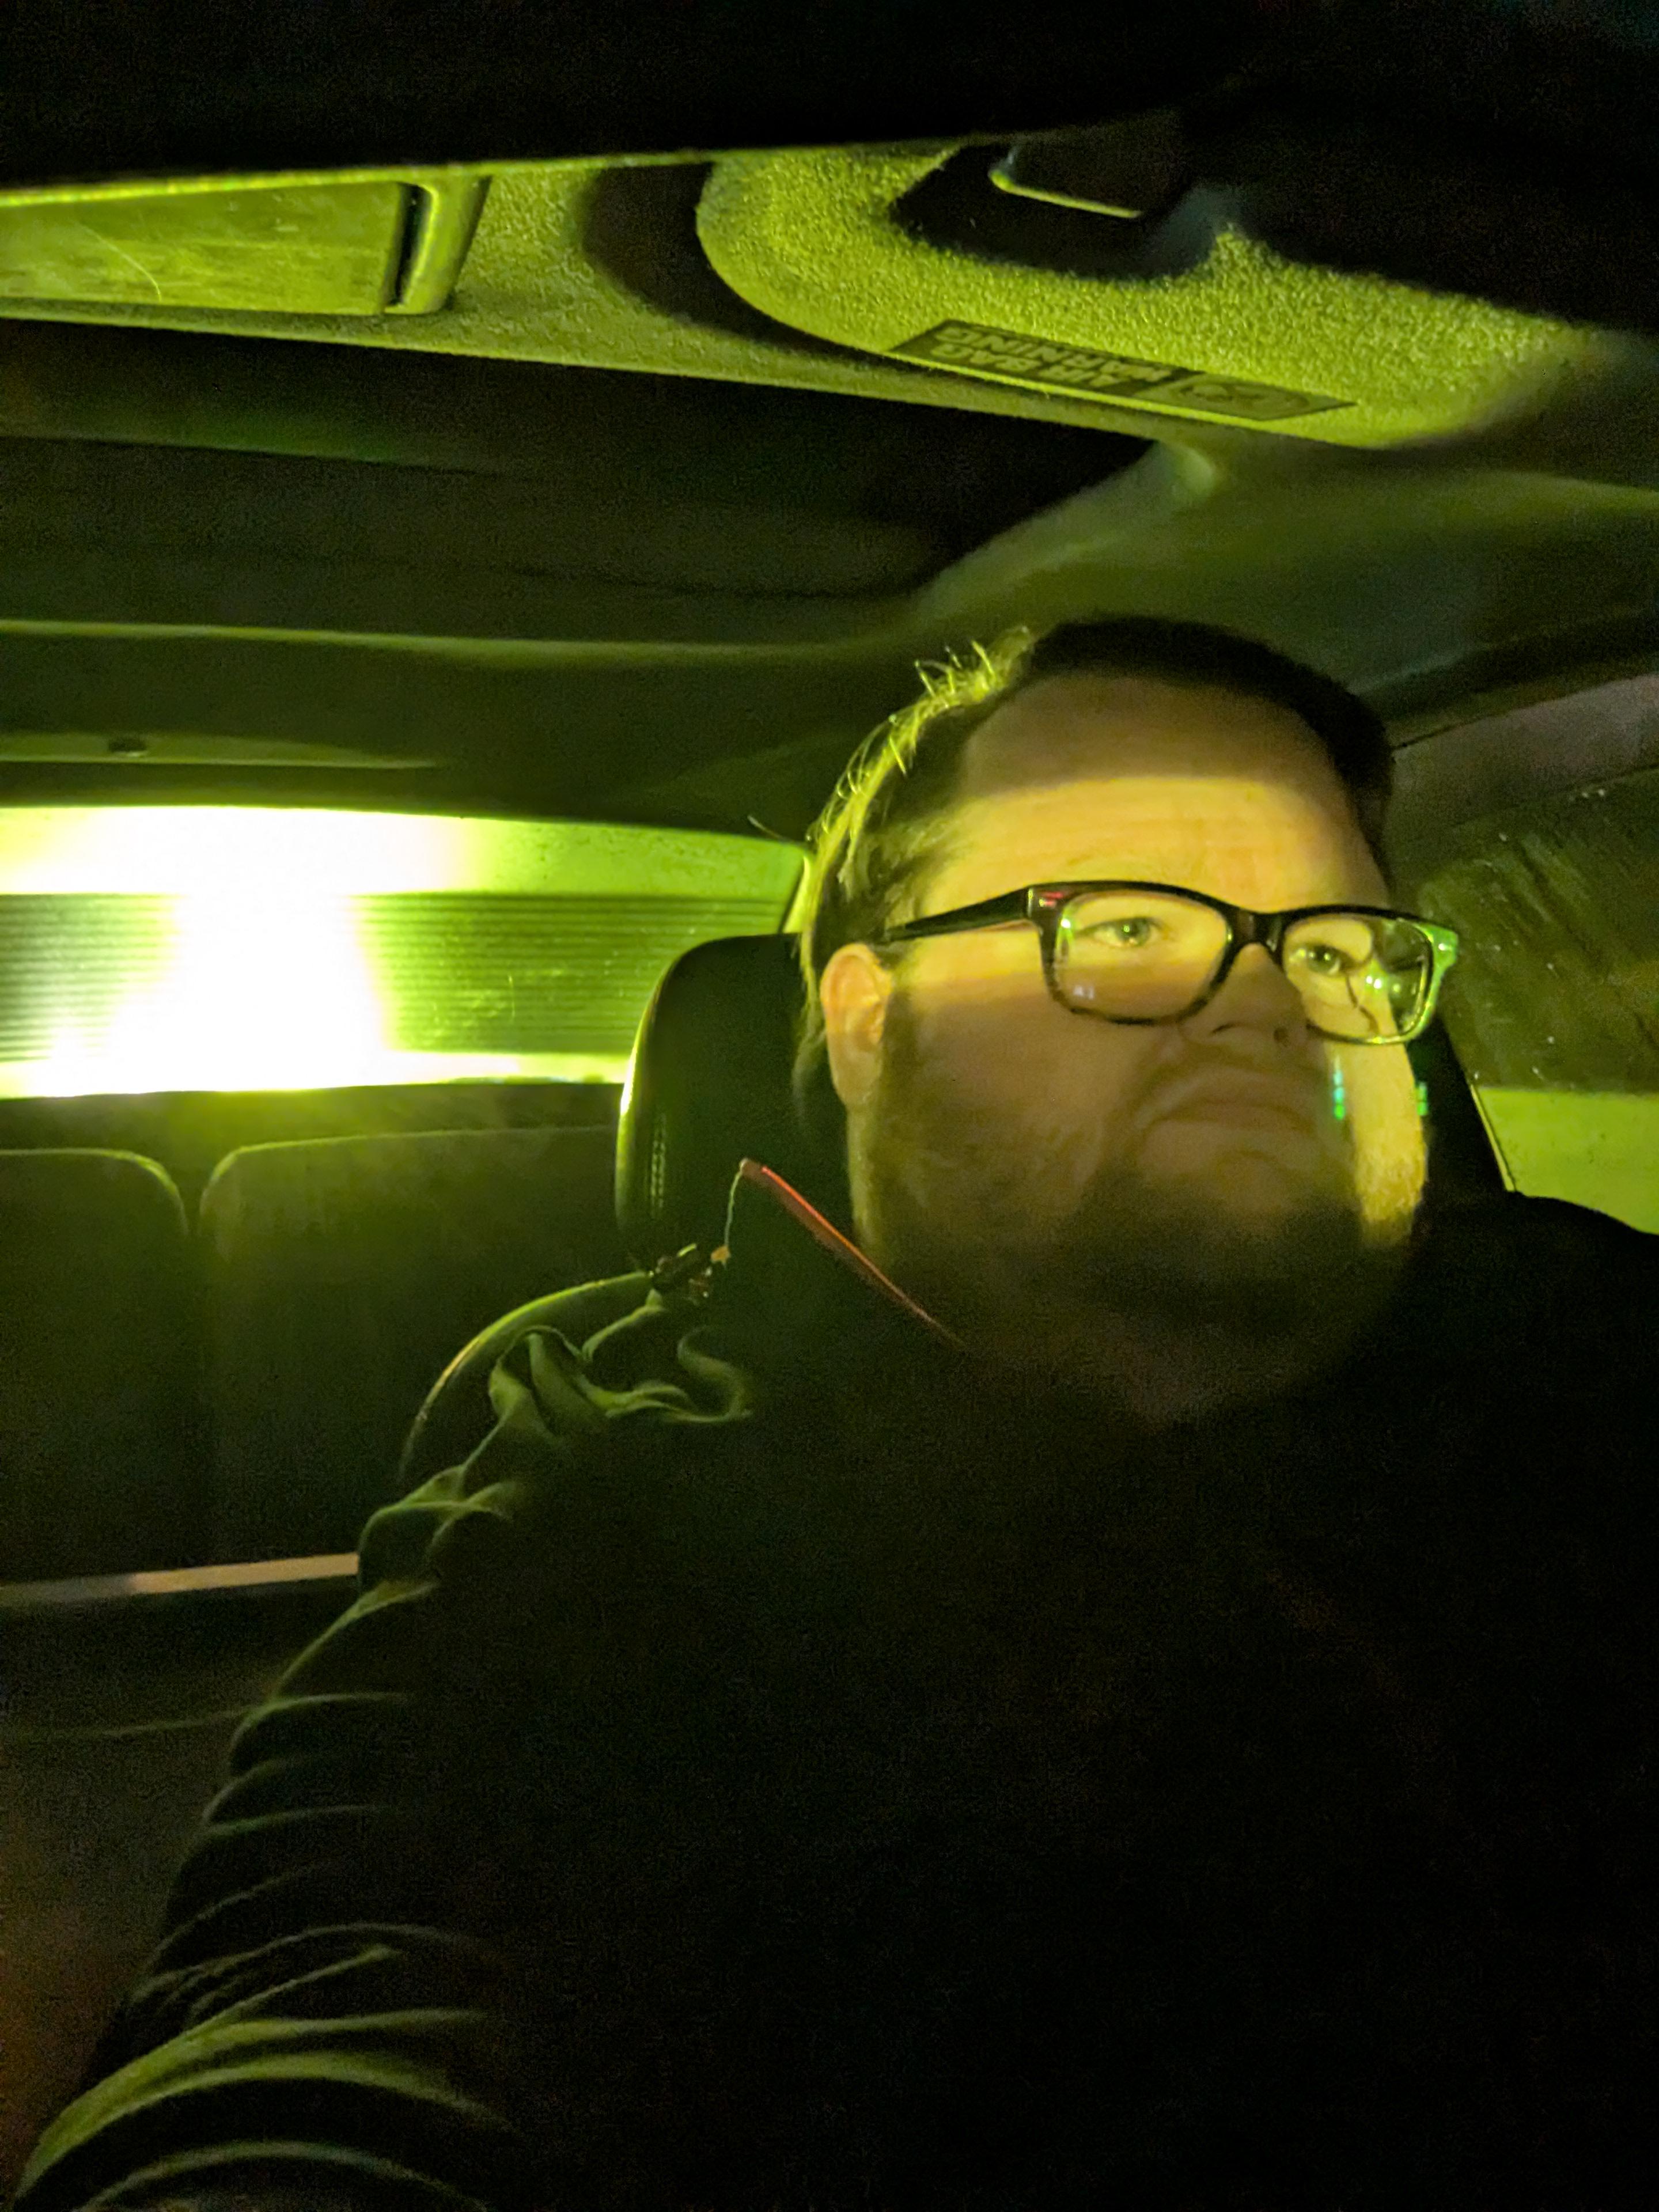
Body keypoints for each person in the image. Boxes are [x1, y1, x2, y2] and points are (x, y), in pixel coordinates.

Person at [12, 617, 1656, 2212]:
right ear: (870, 1023)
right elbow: (361, 1972)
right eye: (1124, 928)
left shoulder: (1583, 1333)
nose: (1269, 1001)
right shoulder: (630, 1485)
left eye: (1336, 948)